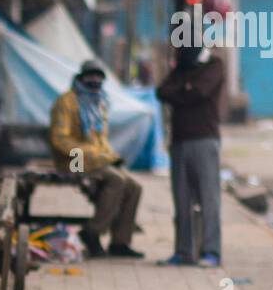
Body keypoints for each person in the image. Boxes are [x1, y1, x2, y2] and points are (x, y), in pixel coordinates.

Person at [49, 60, 144, 259]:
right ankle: (92, 233)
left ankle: (120, 242)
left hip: (96, 160)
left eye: (98, 76)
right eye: (90, 76)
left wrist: (110, 157)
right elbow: (60, 139)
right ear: (81, 78)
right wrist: (89, 154)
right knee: (116, 180)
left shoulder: (100, 102)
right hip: (73, 159)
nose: (94, 80)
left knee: (134, 186)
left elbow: (101, 140)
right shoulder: (66, 102)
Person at [156, 42, 224, 266]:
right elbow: (162, 91)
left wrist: (182, 90)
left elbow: (200, 91)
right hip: (179, 141)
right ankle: (184, 251)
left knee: (208, 198)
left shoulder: (215, 65)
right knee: (182, 200)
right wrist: (185, 89)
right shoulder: (182, 68)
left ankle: (211, 251)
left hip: (205, 140)